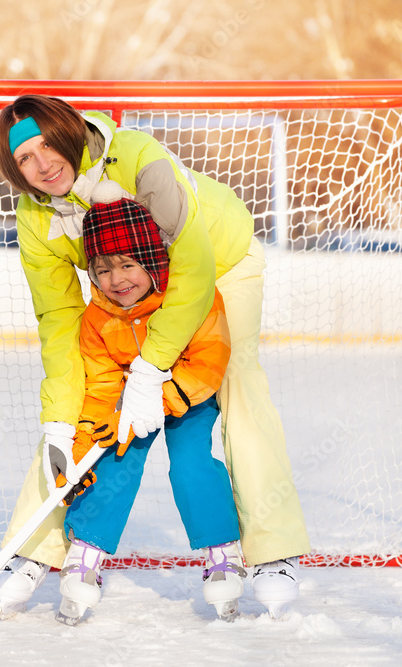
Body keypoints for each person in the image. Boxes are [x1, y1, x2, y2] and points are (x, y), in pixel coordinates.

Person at [0, 94, 310, 619]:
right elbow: (61, 325)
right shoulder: (34, 216)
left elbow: (194, 269)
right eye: (24, 157)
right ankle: (34, 547)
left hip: (217, 262)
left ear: (70, 134)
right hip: (127, 285)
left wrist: (150, 369)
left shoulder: (138, 158)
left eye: (48, 144)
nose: (41, 163)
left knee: (240, 383)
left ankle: (272, 551)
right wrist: (58, 425)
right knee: (76, 420)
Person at [51, 186, 245, 625]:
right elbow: (100, 385)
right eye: (102, 269)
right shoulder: (96, 318)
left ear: (152, 259)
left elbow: (211, 355)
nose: (116, 279)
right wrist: (83, 447)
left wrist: (170, 395)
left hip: (187, 395)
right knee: (115, 458)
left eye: (127, 264)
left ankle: (222, 551)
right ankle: (85, 552)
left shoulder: (190, 295)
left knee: (192, 462)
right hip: (134, 402)